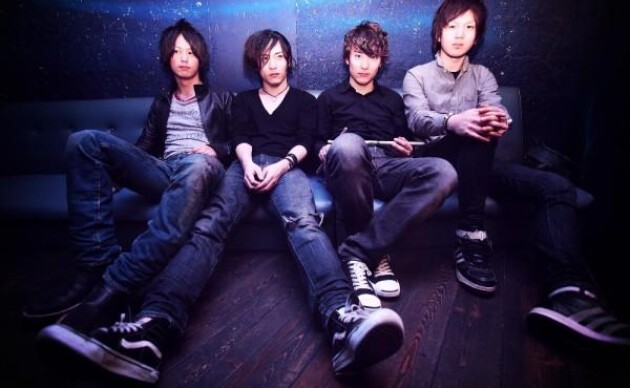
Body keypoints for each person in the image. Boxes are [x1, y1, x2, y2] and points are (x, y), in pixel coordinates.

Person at [38, 29, 405, 384]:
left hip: (287, 168)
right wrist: (247, 165)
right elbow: (239, 139)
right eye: (265, 58)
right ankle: (153, 326)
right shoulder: (242, 101)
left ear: (289, 62)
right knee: (208, 228)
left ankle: (342, 318)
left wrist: (280, 166)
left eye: (279, 57)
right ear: (256, 64)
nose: (273, 64)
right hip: (243, 167)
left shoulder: (305, 101)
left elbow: (305, 142)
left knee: (304, 223)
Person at [403, 0, 630, 347]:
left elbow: (496, 111)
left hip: (479, 165)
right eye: (452, 26)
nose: (460, 34)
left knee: (556, 186)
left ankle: (569, 290)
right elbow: (417, 120)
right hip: (437, 164)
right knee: (472, 130)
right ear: (438, 32)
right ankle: (471, 236)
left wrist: (497, 120)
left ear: (477, 36)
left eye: (469, 27)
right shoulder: (417, 75)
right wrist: (453, 121)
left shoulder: (483, 75)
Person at [34, 17, 233, 348]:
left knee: (198, 165)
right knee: (83, 141)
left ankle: (119, 284)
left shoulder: (222, 98)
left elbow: (240, 141)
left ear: (201, 57)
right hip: (165, 169)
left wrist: (217, 148)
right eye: (176, 51)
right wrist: (117, 176)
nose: (183, 58)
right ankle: (95, 264)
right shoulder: (162, 101)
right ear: (167, 57)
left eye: (190, 51)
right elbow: (143, 148)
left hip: (203, 167)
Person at [315, 20, 458, 310]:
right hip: (346, 164)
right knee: (349, 144)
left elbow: (405, 141)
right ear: (347, 58)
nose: (364, 64)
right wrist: (324, 149)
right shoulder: (329, 98)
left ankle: (362, 250)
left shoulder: (392, 99)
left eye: (372, 57)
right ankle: (375, 258)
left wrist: (404, 148)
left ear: (381, 61)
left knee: (444, 172)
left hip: (387, 164)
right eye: (358, 55)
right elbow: (315, 141)